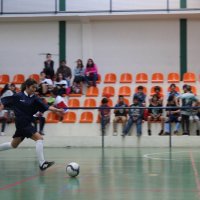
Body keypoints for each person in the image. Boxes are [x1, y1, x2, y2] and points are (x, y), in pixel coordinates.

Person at [0, 78, 64, 171]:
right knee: (39, 138)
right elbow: (3, 101)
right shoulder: (18, 96)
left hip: (25, 124)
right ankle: (42, 164)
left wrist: (57, 110)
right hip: (22, 124)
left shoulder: (35, 98)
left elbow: (46, 106)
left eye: (36, 88)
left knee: (13, 145)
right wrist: (1, 107)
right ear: (27, 87)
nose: (35, 89)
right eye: (33, 87)